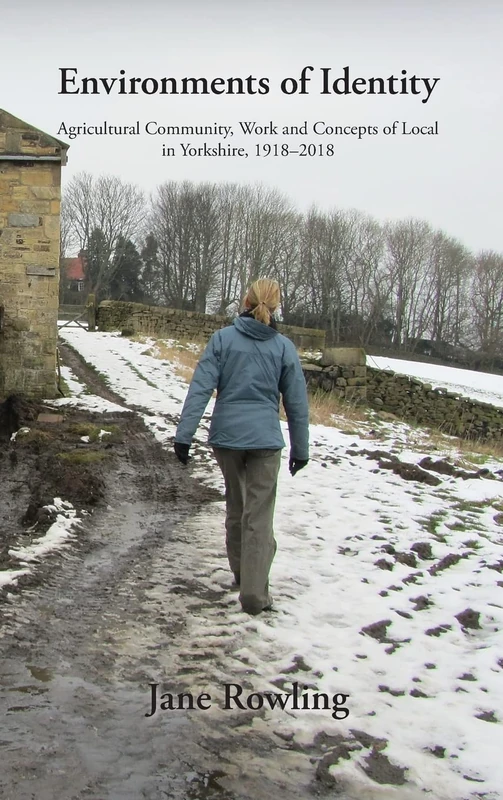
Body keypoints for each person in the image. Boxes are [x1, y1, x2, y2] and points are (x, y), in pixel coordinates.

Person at [173, 278, 309, 616]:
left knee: (237, 507)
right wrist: (300, 449)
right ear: (275, 306)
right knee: (259, 517)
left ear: (245, 299)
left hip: (227, 438)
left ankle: (241, 574)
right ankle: (254, 593)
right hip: (265, 440)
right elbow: (297, 403)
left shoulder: (222, 340)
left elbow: (201, 388)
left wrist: (184, 436)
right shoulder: (283, 348)